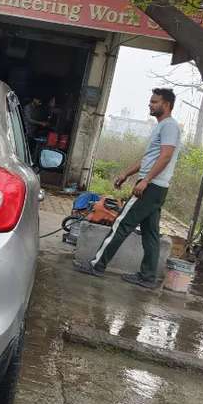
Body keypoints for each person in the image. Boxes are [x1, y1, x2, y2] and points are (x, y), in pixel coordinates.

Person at [74, 87, 181, 288]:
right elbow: (149, 159)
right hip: (157, 187)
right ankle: (147, 277)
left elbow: (165, 156)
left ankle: (97, 265)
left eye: (155, 101)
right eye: (151, 101)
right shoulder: (162, 126)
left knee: (121, 225)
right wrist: (126, 174)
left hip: (152, 187)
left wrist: (145, 180)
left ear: (166, 105)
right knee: (150, 233)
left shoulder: (169, 127)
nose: (150, 104)